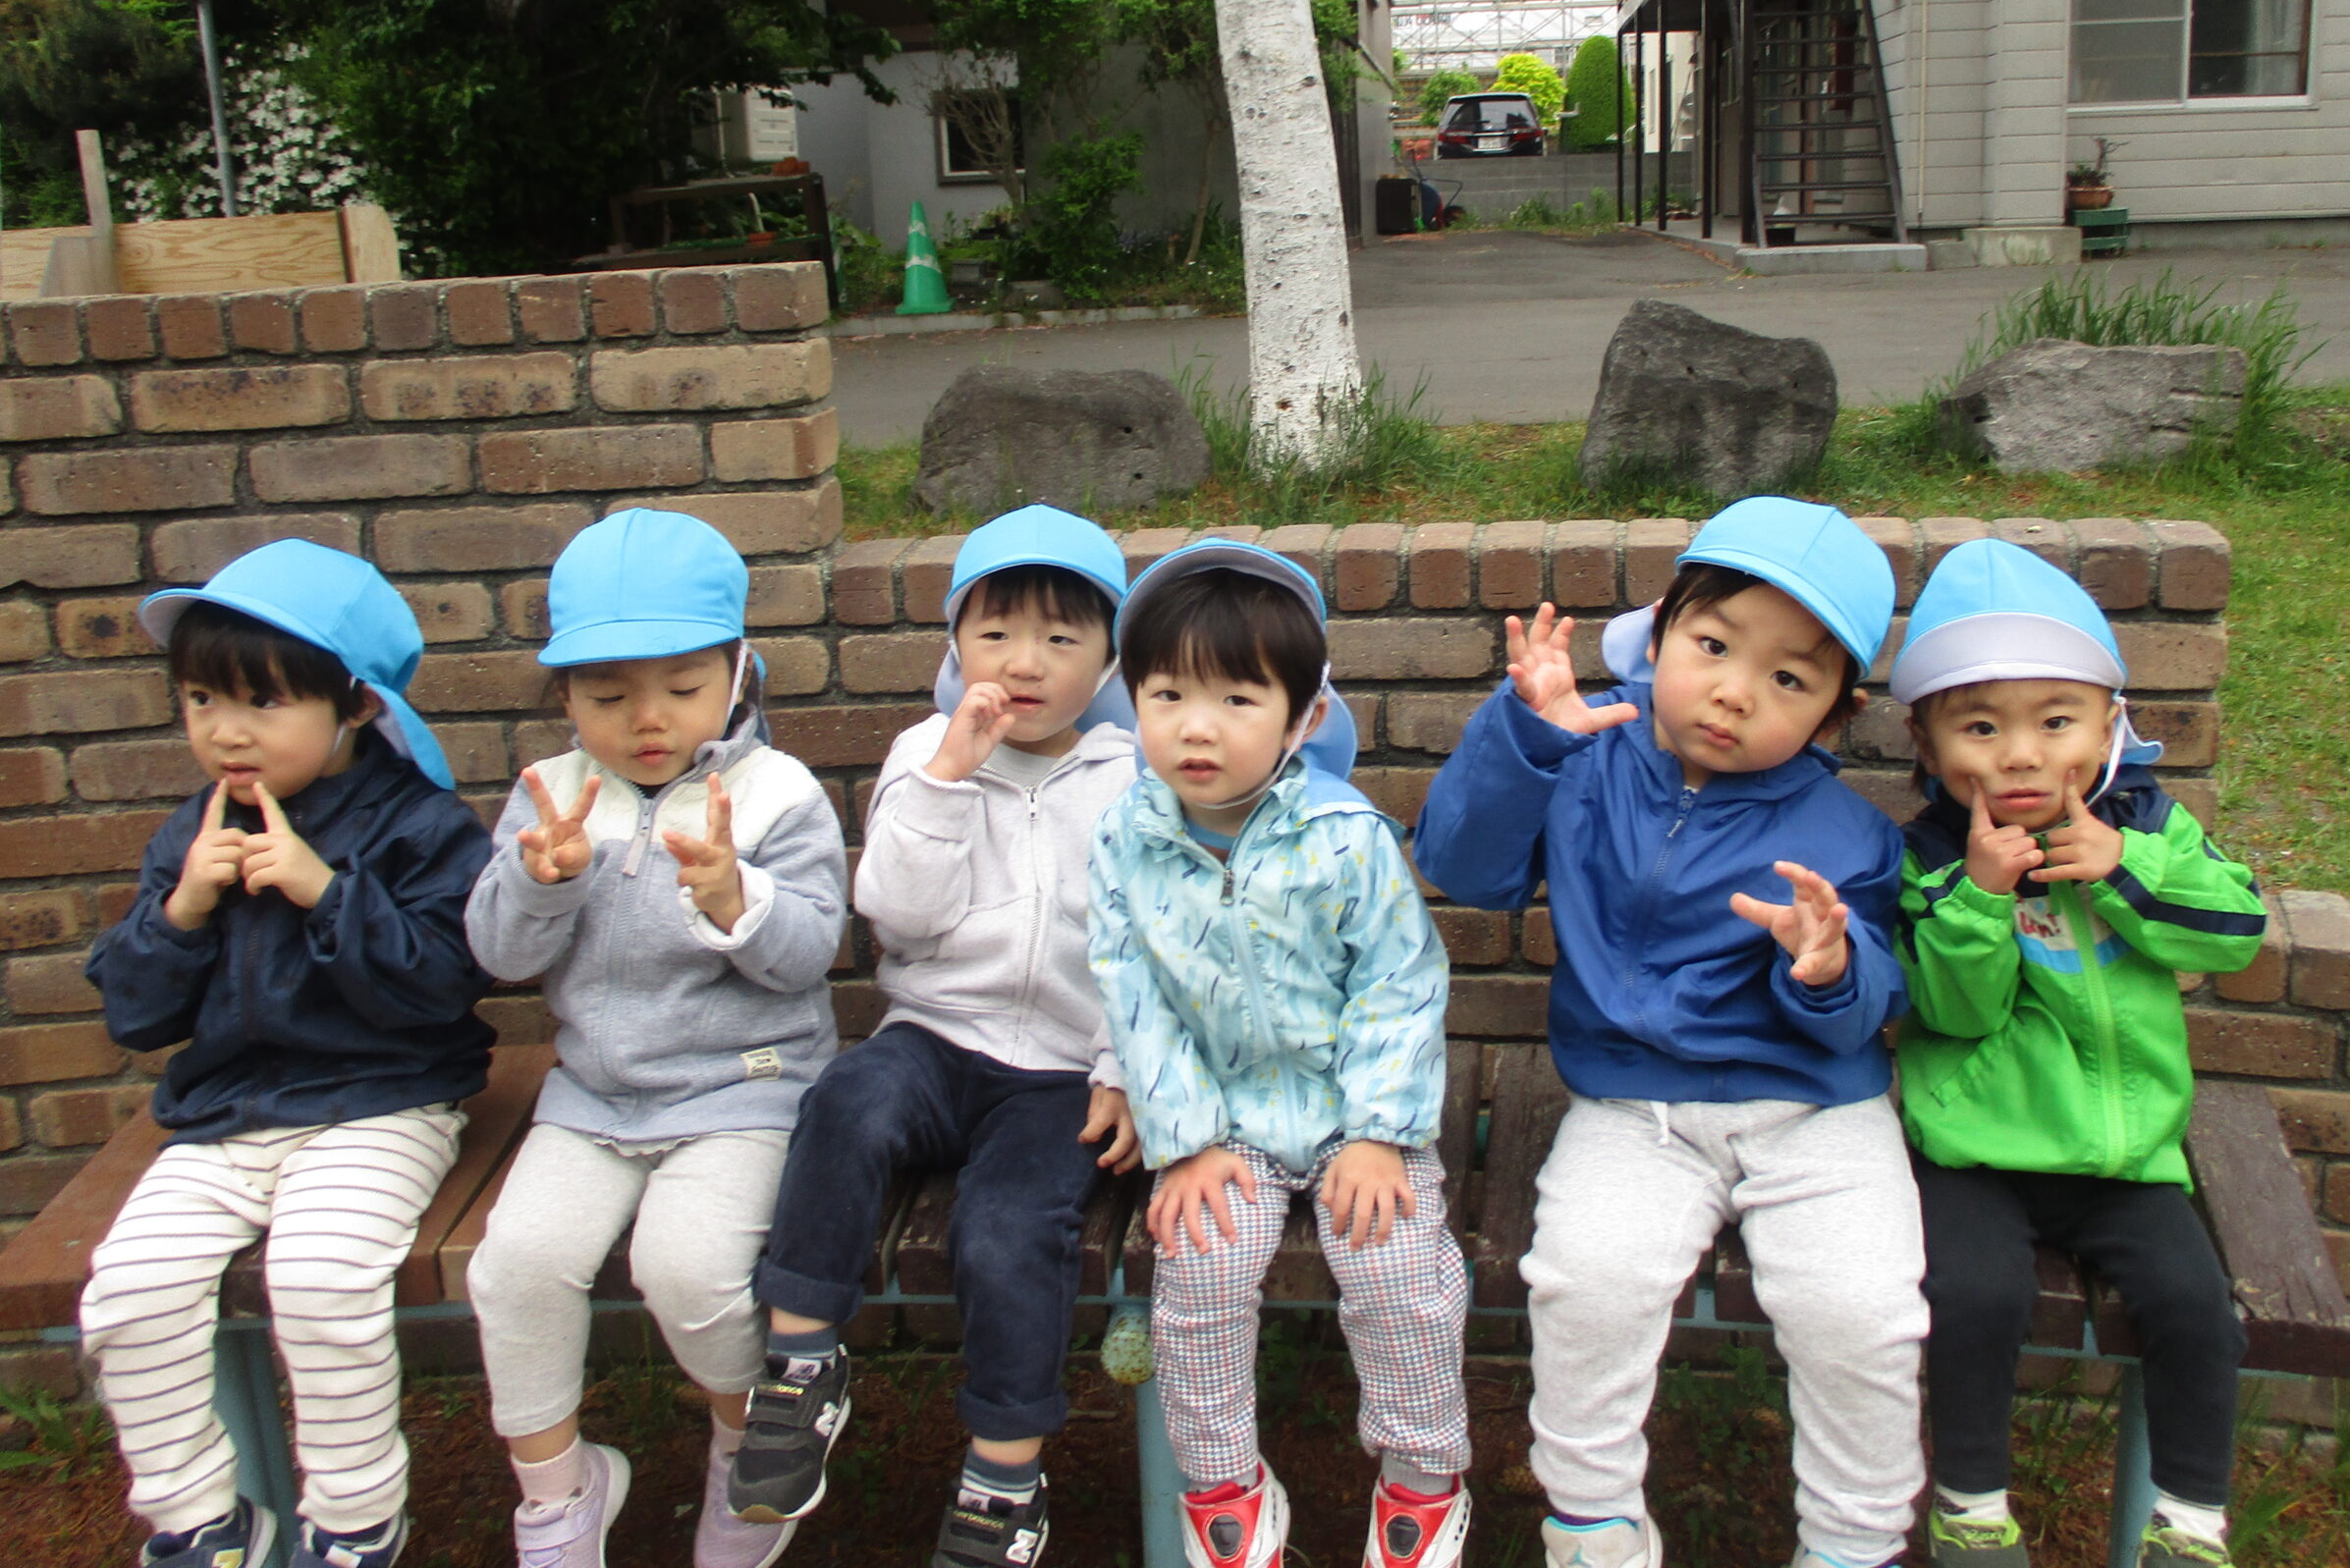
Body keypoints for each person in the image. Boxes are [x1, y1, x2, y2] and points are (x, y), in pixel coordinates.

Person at [1416, 496, 1922, 1568]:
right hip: (1632, 1106)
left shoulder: (1851, 838)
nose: (1736, 692)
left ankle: (1855, 1543)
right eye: (1712, 645)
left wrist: (1828, 966)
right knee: (1585, 1279)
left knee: (1860, 1308)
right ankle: (1592, 1523)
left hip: (1813, 1115)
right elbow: (1463, 867)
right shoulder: (1586, 757)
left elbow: (1876, 1007)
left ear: (1835, 712)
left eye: (1789, 678)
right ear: (1659, 632)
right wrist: (1526, 741)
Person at [726, 506, 1142, 1567]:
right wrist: (948, 779)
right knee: (843, 1101)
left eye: (1063, 637)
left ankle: (1005, 1475)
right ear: (954, 643)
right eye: (996, 632)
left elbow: (1157, 948)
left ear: (1107, 660)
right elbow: (894, 914)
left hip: (1059, 1074)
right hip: (934, 1038)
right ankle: (802, 1365)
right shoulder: (926, 752)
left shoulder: (1134, 779)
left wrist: (1120, 1067)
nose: (1027, 662)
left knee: (1007, 1230)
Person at [80, 539, 496, 1568]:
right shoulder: (192, 834)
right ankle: (199, 1524)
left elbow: (446, 983)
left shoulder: (420, 826)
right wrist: (180, 912)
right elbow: (134, 1017)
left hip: (380, 1104)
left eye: (261, 704)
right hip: (223, 1118)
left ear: (354, 706)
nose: (226, 731)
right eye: (200, 701)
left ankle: (355, 1524)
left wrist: (325, 890)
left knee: (320, 1282)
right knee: (125, 1293)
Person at [465, 510, 847, 1568]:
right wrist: (542, 882)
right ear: (563, 698)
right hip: (591, 1098)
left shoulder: (774, 795)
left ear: (737, 673)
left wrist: (735, 896)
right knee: (517, 1266)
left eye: (681, 688)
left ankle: (746, 1449)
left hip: (745, 1092)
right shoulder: (554, 799)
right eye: (606, 695)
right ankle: (557, 1492)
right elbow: (495, 956)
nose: (647, 720)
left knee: (686, 1269)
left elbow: (812, 951)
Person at [1089, 541, 1471, 1568]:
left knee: (1395, 1270)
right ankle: (1221, 1479)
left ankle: (1423, 1478)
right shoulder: (1126, 837)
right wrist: (1188, 1140)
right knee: (1202, 1276)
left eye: (1237, 698)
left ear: (1304, 718)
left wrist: (1382, 1134)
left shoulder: (1346, 838)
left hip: (1354, 1118)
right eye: (1165, 694)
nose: (1195, 726)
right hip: (1224, 1123)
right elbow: (1133, 991)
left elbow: (1399, 982)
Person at [1887, 540, 2266, 1568]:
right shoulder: (1927, 857)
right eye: (1978, 726)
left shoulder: (2152, 829)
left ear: (2111, 726)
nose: (2018, 754)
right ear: (1925, 748)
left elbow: (2232, 934)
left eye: (2055, 721)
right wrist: (1977, 898)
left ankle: (2188, 1521)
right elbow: (1953, 1016)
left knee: (2194, 1308)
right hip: (1977, 1151)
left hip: (2122, 1155)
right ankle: (1968, 1506)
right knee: (1970, 1299)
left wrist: (2124, 869)